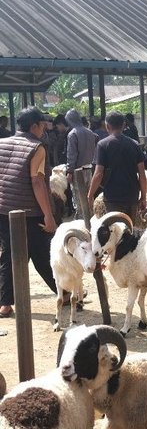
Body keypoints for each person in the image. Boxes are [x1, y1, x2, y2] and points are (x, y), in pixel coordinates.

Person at [0, 107, 58, 317]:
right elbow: (37, 182)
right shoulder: (36, 148)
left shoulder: (2, 143)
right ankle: (64, 293)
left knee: (9, 254)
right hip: (28, 211)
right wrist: (48, 215)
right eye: (42, 125)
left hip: (4, 209)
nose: (44, 129)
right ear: (34, 126)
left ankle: (5, 303)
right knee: (42, 253)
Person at [87, 111, 146, 222]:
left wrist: (90, 195)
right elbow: (142, 174)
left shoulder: (102, 145)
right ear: (124, 125)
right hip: (132, 195)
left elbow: (98, 173)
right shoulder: (134, 144)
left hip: (112, 197)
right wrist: (143, 197)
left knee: (116, 230)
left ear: (107, 126)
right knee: (130, 229)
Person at [65, 108, 98, 215]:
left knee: (79, 200)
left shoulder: (72, 134)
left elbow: (72, 155)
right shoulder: (90, 133)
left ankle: (81, 220)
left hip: (77, 172)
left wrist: (69, 171)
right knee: (89, 197)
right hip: (90, 170)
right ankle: (91, 219)